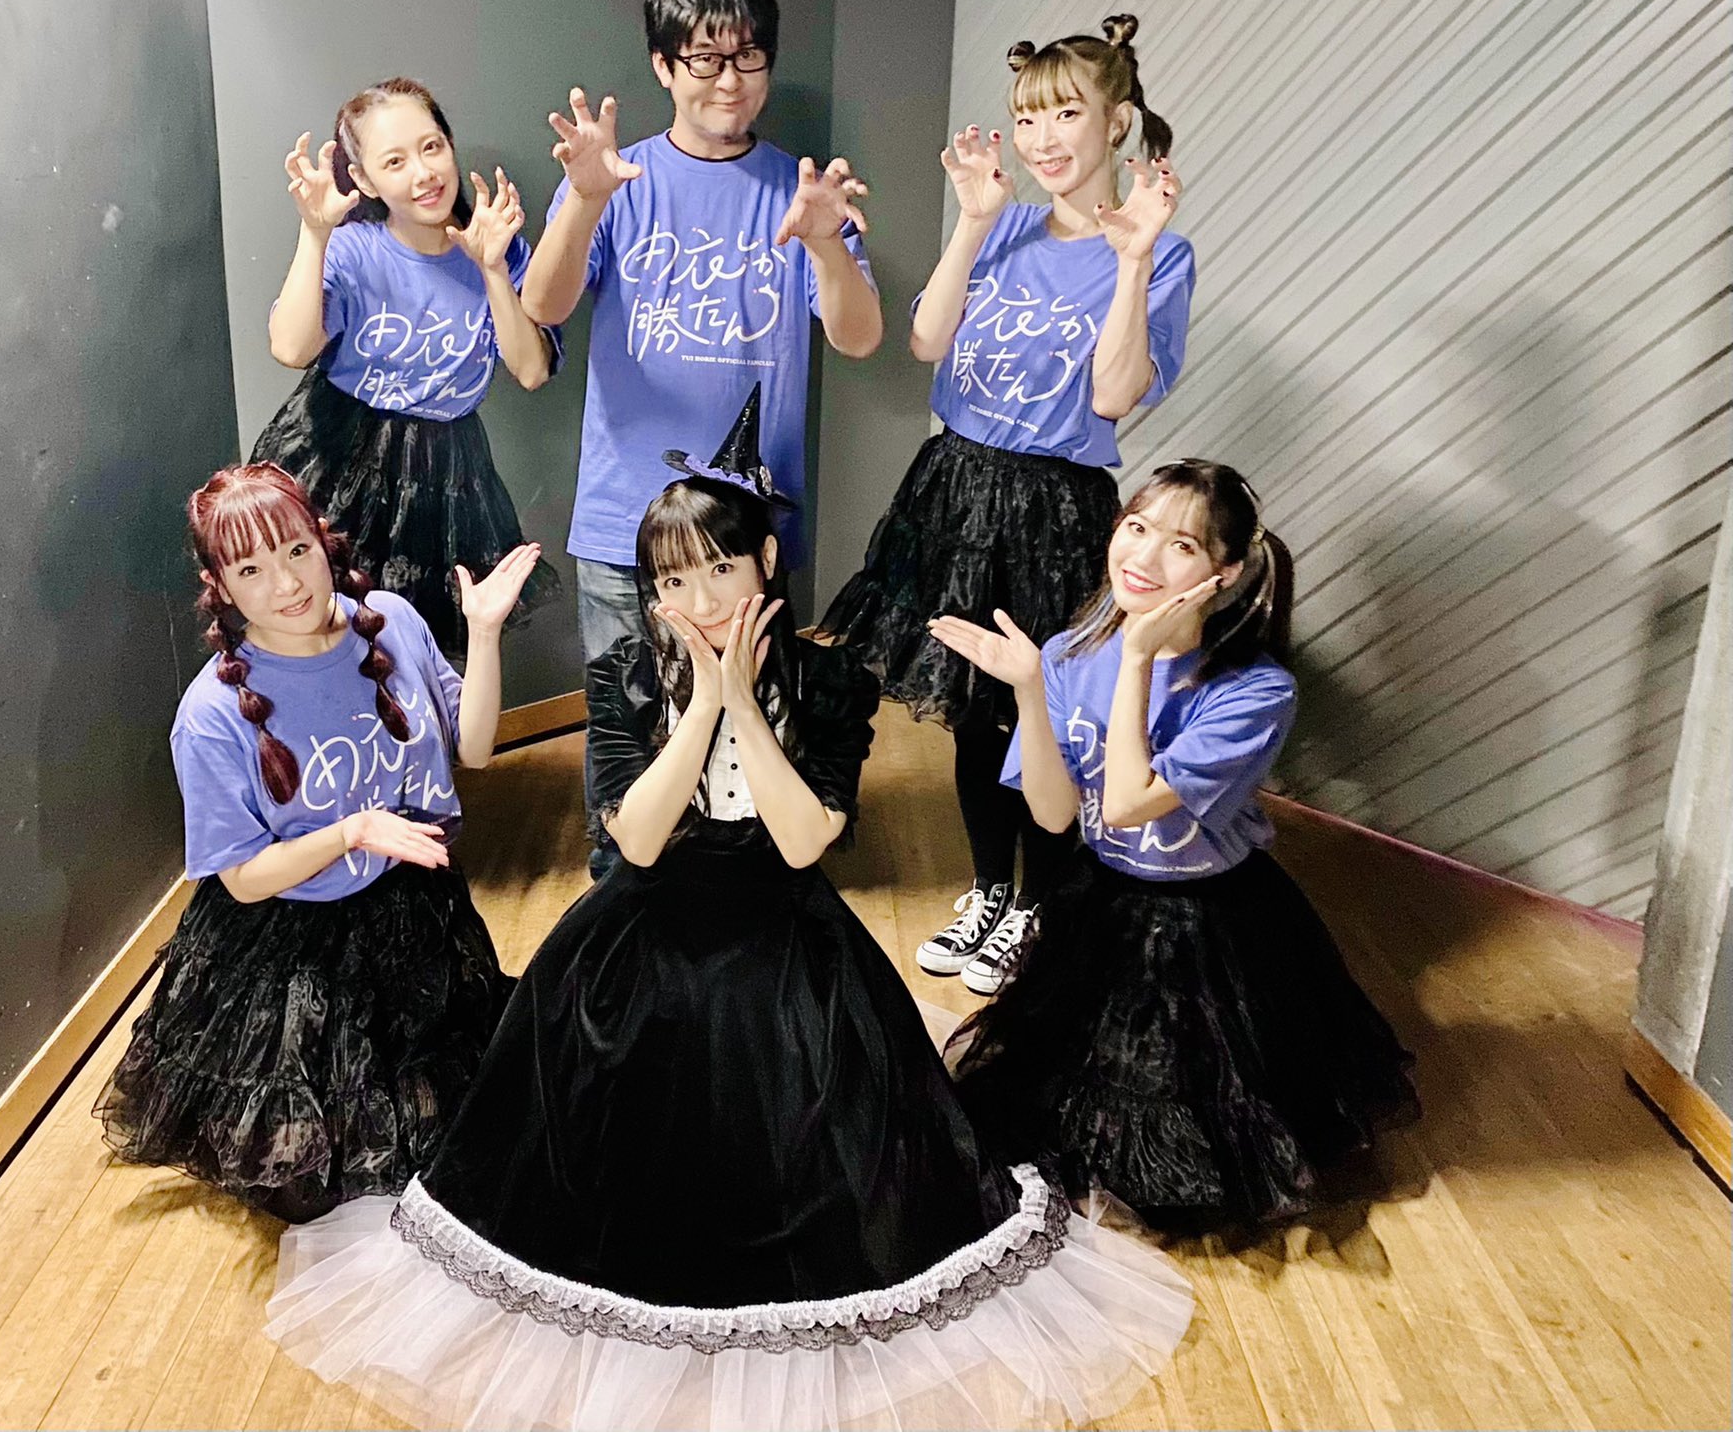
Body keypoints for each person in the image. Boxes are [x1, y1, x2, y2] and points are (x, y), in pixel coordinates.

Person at [263, 409, 1191, 1431]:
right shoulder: (623, 675)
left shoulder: (831, 679)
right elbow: (638, 839)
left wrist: (746, 705)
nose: (699, 601)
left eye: (719, 570)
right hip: (640, 938)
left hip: (787, 935)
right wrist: (701, 703)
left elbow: (803, 844)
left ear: (765, 563)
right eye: (672, 580)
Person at [931, 458, 1418, 1234]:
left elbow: (1128, 803)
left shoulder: (1256, 691)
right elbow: (1054, 818)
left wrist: (1134, 658)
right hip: (1102, 898)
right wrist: (1029, 687)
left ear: (1225, 574)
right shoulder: (1068, 655)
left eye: (1182, 545)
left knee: (1198, 1113)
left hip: (1209, 917)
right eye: (1136, 528)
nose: (1144, 557)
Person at [822, 16, 1193, 995]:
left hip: (1055, 505)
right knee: (972, 710)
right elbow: (926, 341)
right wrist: (975, 221)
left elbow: (1113, 395)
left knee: (1044, 713)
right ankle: (990, 889)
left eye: (1065, 113)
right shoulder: (1005, 226)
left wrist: (1131, 261)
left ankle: (1038, 905)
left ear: (1117, 122)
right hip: (954, 485)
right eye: (1027, 118)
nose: (1040, 139)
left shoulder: (1159, 252)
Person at [518, 0, 883, 873]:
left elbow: (858, 337)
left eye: (749, 55)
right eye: (706, 58)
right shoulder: (617, 178)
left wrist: (826, 245)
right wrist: (584, 202)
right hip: (624, 526)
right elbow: (542, 305)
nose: (730, 78)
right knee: (632, 739)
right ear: (663, 65)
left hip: (748, 532)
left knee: (756, 725)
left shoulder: (801, 189)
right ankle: (622, 905)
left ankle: (746, 904)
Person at [94, 462, 538, 1222]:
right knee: (312, 1175)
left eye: (297, 550)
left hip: (411, 907)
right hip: (293, 942)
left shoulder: (389, 620)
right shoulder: (211, 715)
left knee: (454, 1119)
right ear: (219, 586)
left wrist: (486, 633)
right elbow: (243, 880)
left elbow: (474, 749)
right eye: (250, 569)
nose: (286, 583)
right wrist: (352, 830)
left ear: (323, 541)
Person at [255, 76, 559, 657]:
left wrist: (493, 269)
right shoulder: (353, 248)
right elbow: (291, 349)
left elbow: (531, 371)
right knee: (328, 630)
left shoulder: (497, 245)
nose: (423, 173)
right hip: (341, 449)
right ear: (366, 179)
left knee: (426, 645)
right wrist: (315, 233)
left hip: (445, 467)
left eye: (432, 147)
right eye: (394, 161)